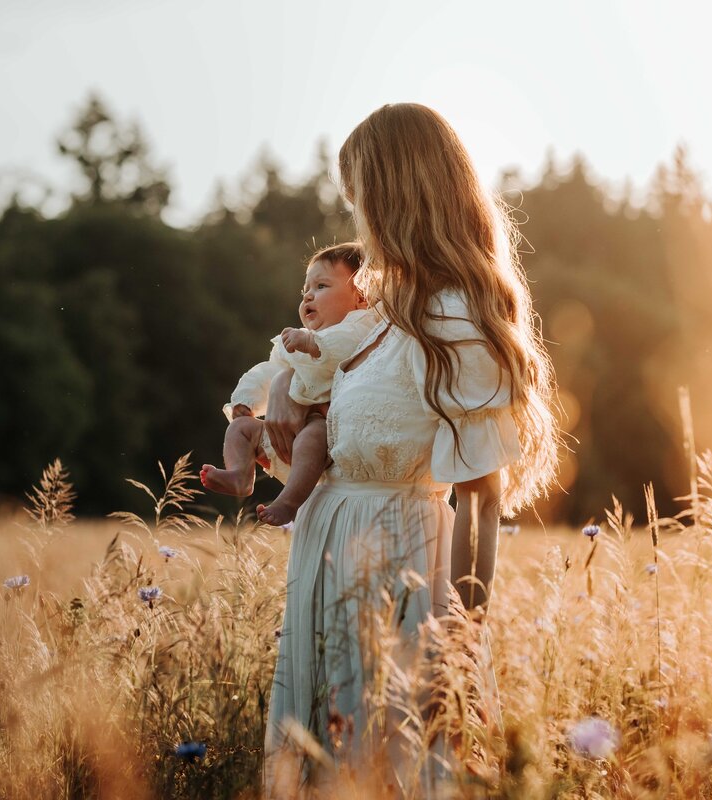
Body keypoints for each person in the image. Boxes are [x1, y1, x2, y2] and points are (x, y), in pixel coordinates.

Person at [261, 104, 560, 796]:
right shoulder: (383, 307)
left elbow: (481, 500)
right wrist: (285, 382)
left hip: (399, 567)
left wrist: (453, 651)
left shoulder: (453, 314)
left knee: (392, 762)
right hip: (329, 557)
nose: (354, 217)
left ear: (392, 196)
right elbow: (343, 410)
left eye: (359, 197)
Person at [200, 242, 377, 527]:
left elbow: (344, 345)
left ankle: (289, 501)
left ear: (361, 296)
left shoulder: (363, 324)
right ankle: (240, 476)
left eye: (321, 286)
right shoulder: (298, 338)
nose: (308, 295)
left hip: (325, 426)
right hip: (288, 428)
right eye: (305, 289)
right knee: (240, 429)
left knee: (312, 436)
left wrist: (312, 342)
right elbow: (270, 371)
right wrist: (246, 401)